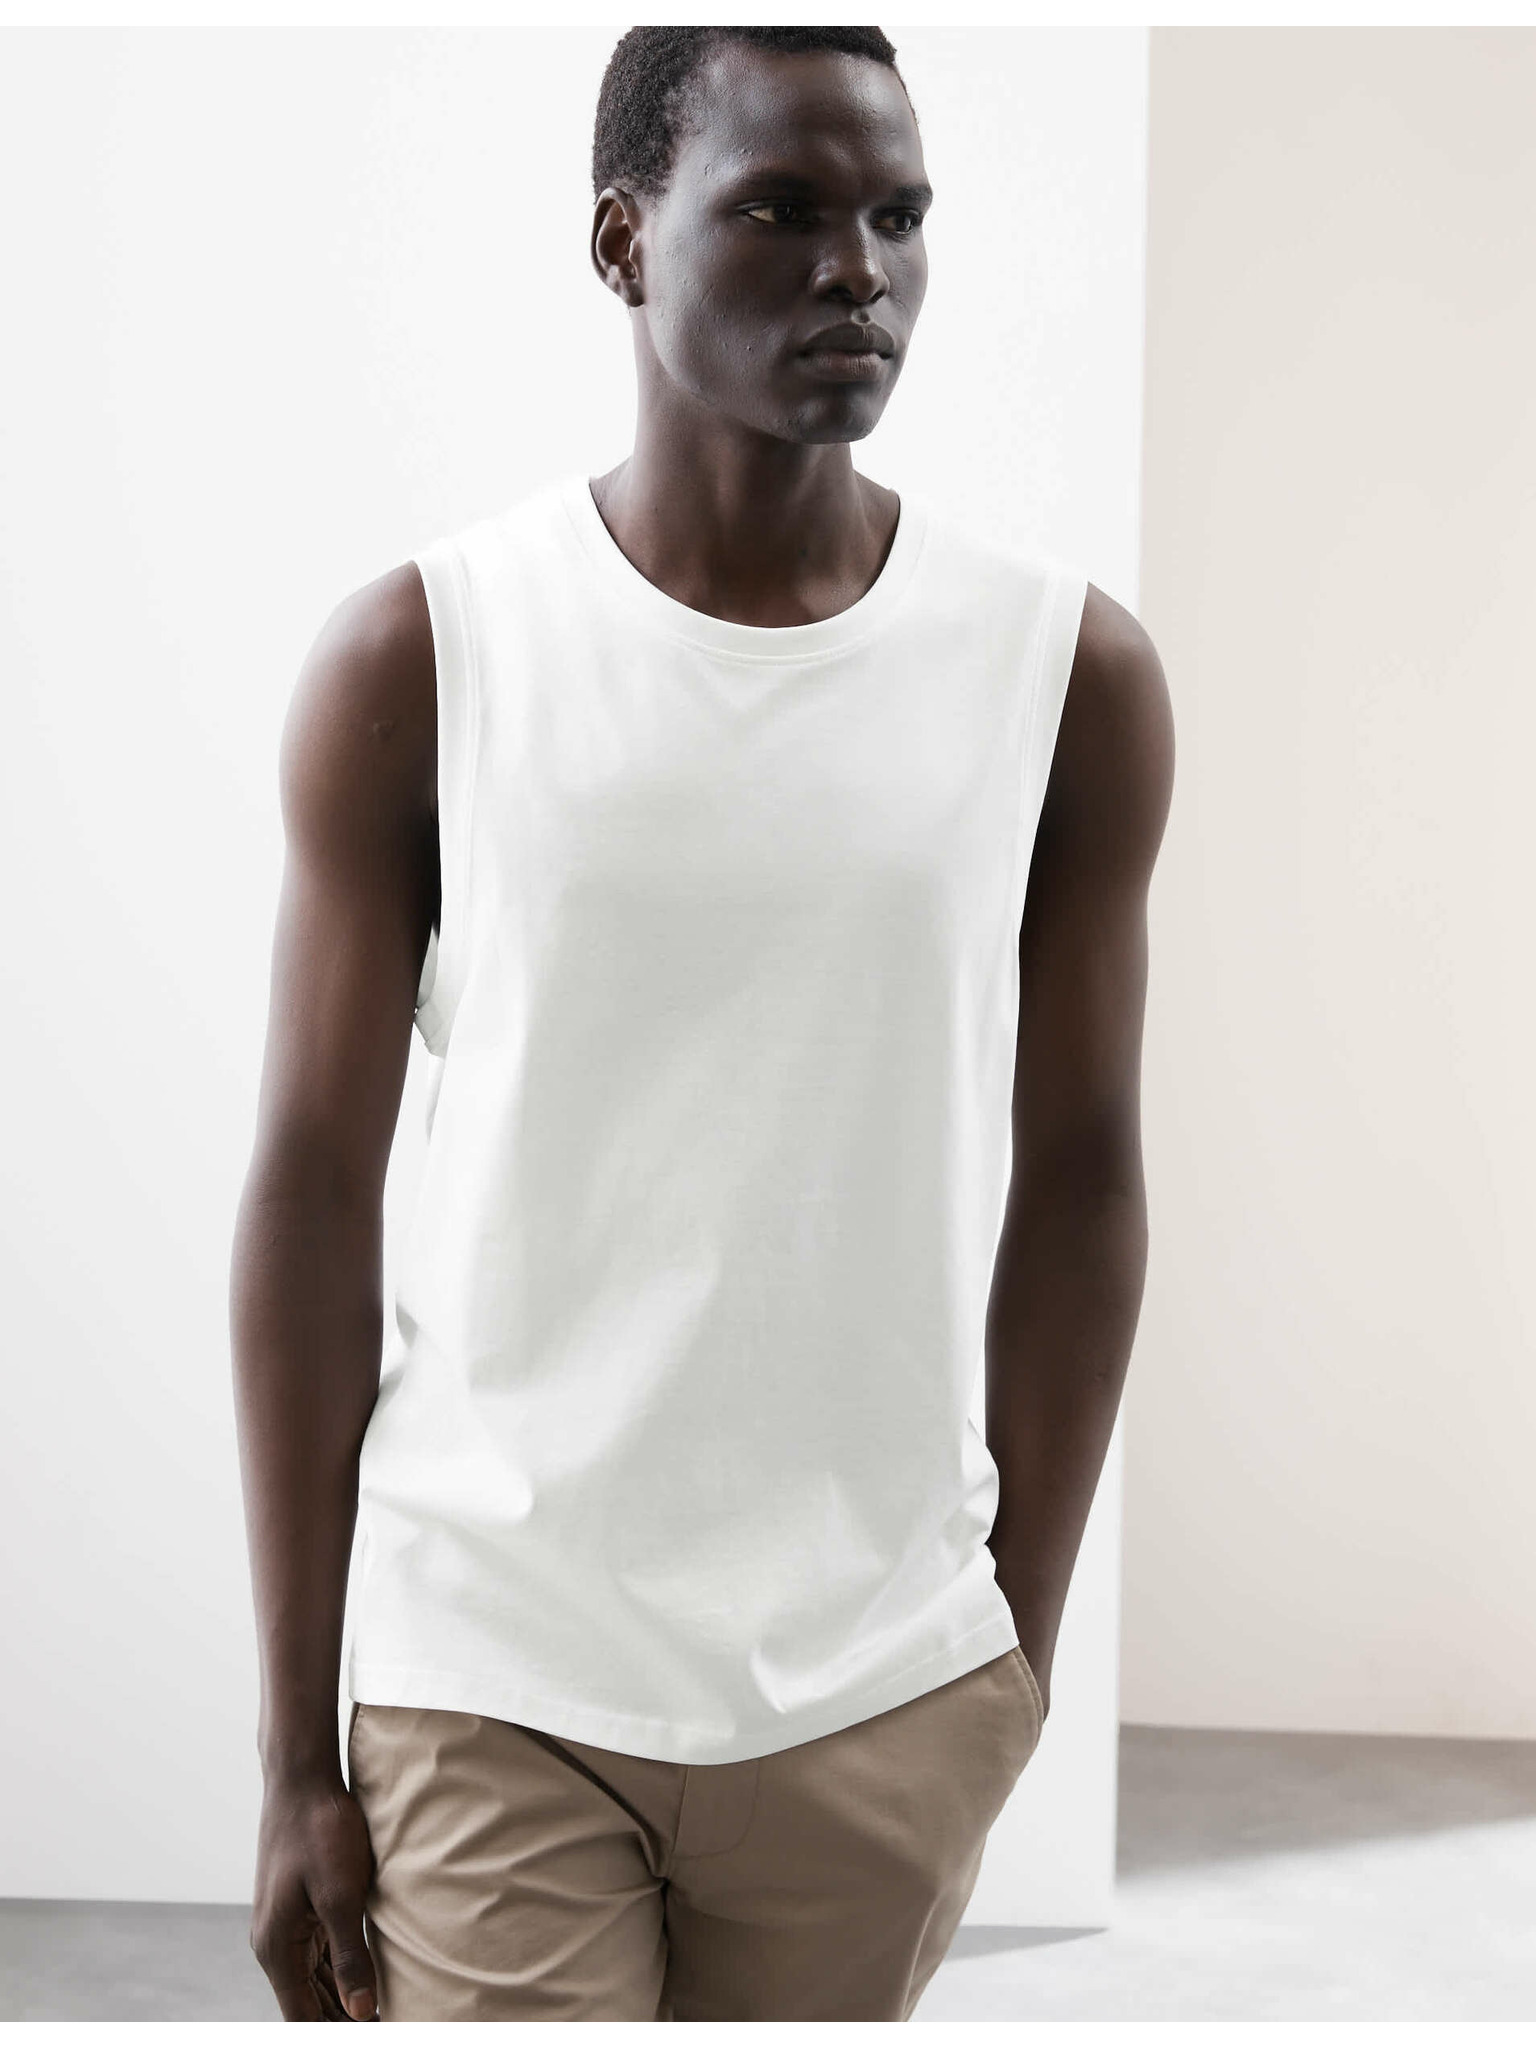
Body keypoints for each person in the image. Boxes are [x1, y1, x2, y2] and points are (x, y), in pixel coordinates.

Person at [231, 24, 1174, 2025]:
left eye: (899, 216)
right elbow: (311, 1195)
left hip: (875, 1693)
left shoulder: (1062, 677)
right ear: (621, 244)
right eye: (782, 210)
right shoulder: (427, 657)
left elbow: (1087, 1182)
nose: (860, 270)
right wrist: (295, 1750)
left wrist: (1009, 1658)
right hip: (493, 1667)